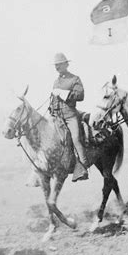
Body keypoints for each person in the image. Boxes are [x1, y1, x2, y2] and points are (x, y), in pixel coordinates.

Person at [49, 52, 89, 182]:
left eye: (59, 64)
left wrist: (63, 93)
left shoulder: (75, 79)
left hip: (70, 115)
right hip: (56, 117)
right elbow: (54, 100)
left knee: (76, 138)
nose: (57, 67)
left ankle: (83, 168)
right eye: (56, 65)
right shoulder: (56, 81)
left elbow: (80, 95)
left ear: (66, 64)